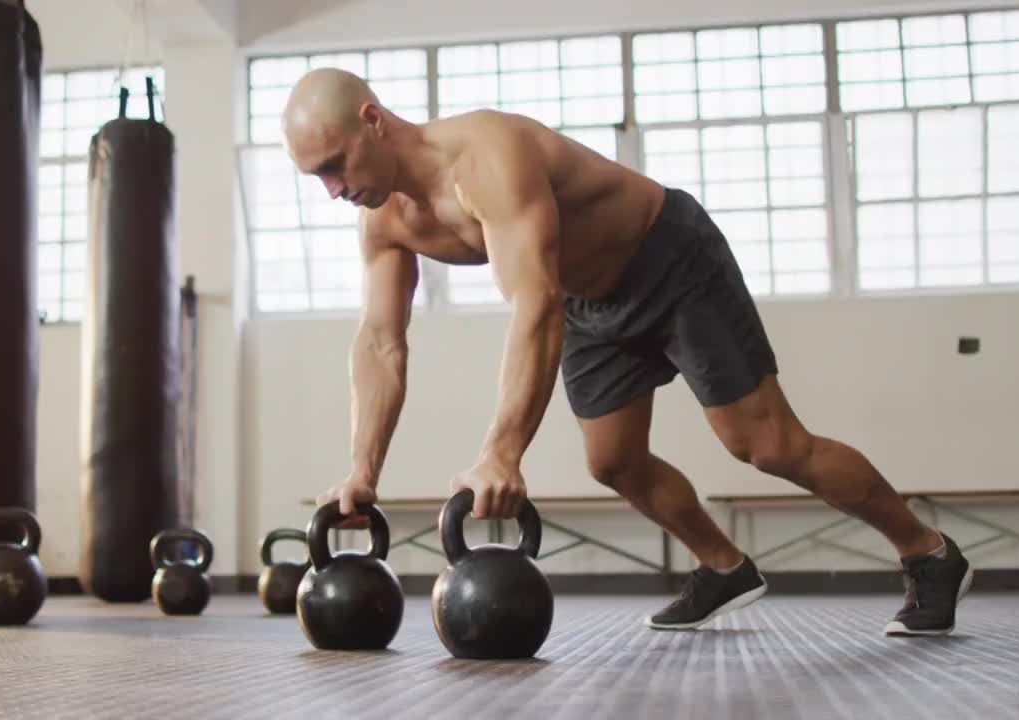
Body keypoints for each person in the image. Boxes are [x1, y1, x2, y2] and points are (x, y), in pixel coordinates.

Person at [280, 67, 973, 636]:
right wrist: (360, 473)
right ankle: (724, 568)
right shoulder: (384, 222)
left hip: (668, 259)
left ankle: (928, 553)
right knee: (612, 459)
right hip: (591, 300)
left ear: (373, 120)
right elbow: (380, 341)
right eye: (318, 177)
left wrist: (500, 451)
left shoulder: (486, 156)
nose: (334, 189)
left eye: (335, 165)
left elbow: (534, 302)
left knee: (766, 445)